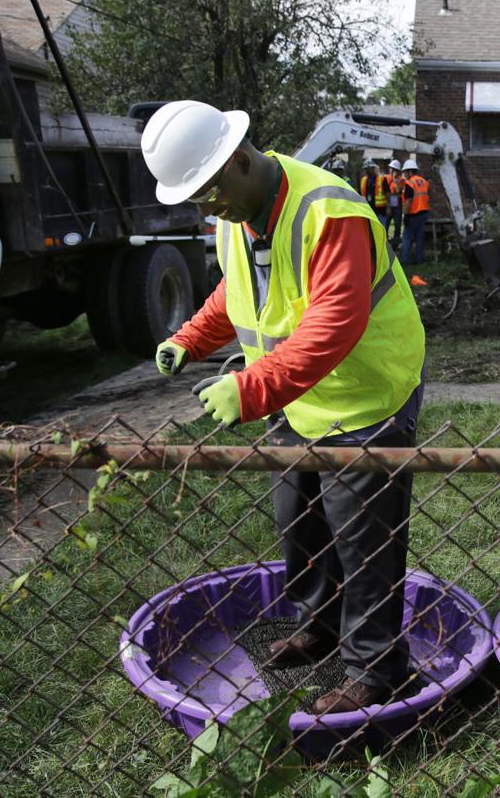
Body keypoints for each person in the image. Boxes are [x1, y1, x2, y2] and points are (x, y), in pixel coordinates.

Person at [143, 100, 426, 715]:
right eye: (195, 199)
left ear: (239, 161)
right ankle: (318, 627)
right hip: (297, 400)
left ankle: (376, 670)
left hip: (366, 398)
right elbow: (238, 289)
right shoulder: (236, 215)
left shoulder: (329, 211)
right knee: (300, 523)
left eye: (208, 193)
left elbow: (334, 322)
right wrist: (190, 339)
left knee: (365, 542)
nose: (206, 209)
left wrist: (249, 388)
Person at [400, 158, 429, 265]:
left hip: (413, 214)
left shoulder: (410, 183)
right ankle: (419, 259)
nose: (404, 174)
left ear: (410, 171)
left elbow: (409, 200)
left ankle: (404, 260)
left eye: (405, 172)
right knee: (420, 237)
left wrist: (406, 215)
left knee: (407, 238)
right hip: (424, 213)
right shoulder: (424, 182)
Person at [359, 158, 389, 227]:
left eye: (368, 169)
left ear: (373, 168)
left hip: (380, 210)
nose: (366, 171)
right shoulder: (363, 180)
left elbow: (387, 193)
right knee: (370, 228)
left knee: (381, 228)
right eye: (365, 169)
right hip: (368, 209)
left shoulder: (382, 179)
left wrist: (388, 207)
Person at [385, 159, 404, 249]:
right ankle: (385, 244)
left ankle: (395, 245)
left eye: (393, 169)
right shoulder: (386, 178)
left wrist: (395, 181)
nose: (391, 171)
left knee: (397, 224)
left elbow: (399, 190)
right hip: (388, 204)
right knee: (386, 224)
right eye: (391, 168)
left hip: (397, 205)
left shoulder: (401, 180)